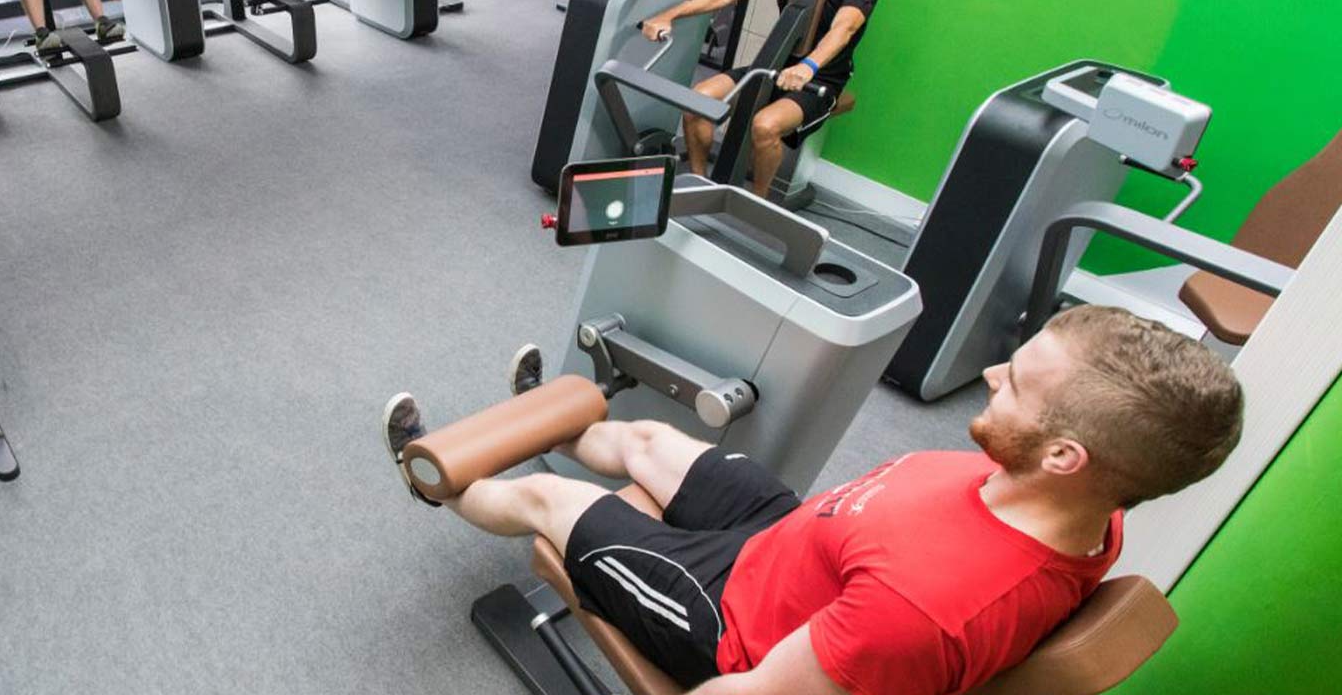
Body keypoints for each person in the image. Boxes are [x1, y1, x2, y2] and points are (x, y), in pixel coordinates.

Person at [384, 305, 1244, 694]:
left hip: (730, 621)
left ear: (1064, 454)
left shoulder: (918, 612)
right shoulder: (1094, 506)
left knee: (545, 501)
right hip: (799, 543)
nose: (988, 377)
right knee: (647, 442)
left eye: (1014, 384)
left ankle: (440, 475)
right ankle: (546, 416)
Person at [641, 0, 881, 197]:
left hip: (821, 76)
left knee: (765, 126)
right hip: (773, 64)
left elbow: (844, 28)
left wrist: (808, 66)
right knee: (697, 101)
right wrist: (669, 15)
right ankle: (699, 187)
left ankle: (757, 201)